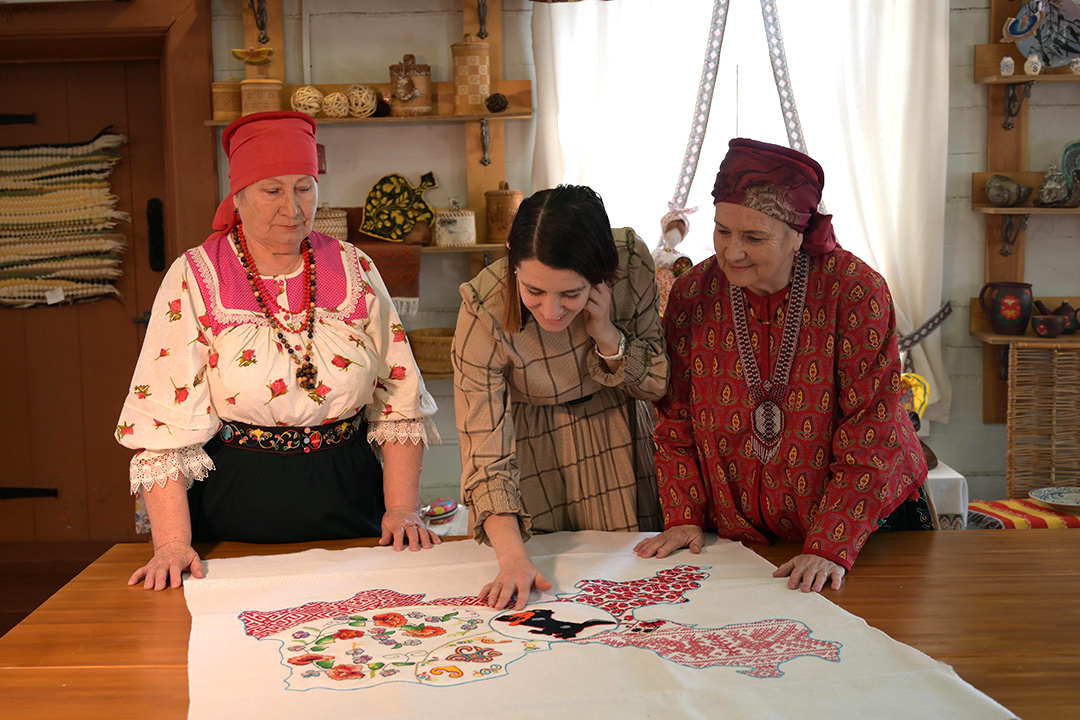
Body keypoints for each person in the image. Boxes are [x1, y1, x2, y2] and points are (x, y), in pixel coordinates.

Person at [116, 111, 441, 591]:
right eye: (272, 191)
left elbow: (398, 396)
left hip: (353, 504)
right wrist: (172, 544)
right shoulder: (196, 276)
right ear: (238, 197)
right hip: (233, 512)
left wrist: (400, 509)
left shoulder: (353, 267)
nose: (293, 207)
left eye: (304, 188)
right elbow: (164, 417)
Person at [634, 139, 932, 593]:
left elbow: (872, 426)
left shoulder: (854, 291)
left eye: (754, 238)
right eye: (722, 231)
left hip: (860, 533)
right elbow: (676, 417)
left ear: (799, 235)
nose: (732, 252)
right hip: (738, 541)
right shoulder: (694, 292)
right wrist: (684, 515)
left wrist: (830, 543)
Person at [453, 185, 669, 610]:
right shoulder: (484, 306)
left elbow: (656, 386)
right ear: (513, 261)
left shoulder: (630, 261)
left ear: (601, 274)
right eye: (534, 291)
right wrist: (512, 559)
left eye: (571, 294)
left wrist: (607, 335)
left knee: (636, 595)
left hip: (622, 437)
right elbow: (484, 452)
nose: (552, 311)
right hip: (532, 453)